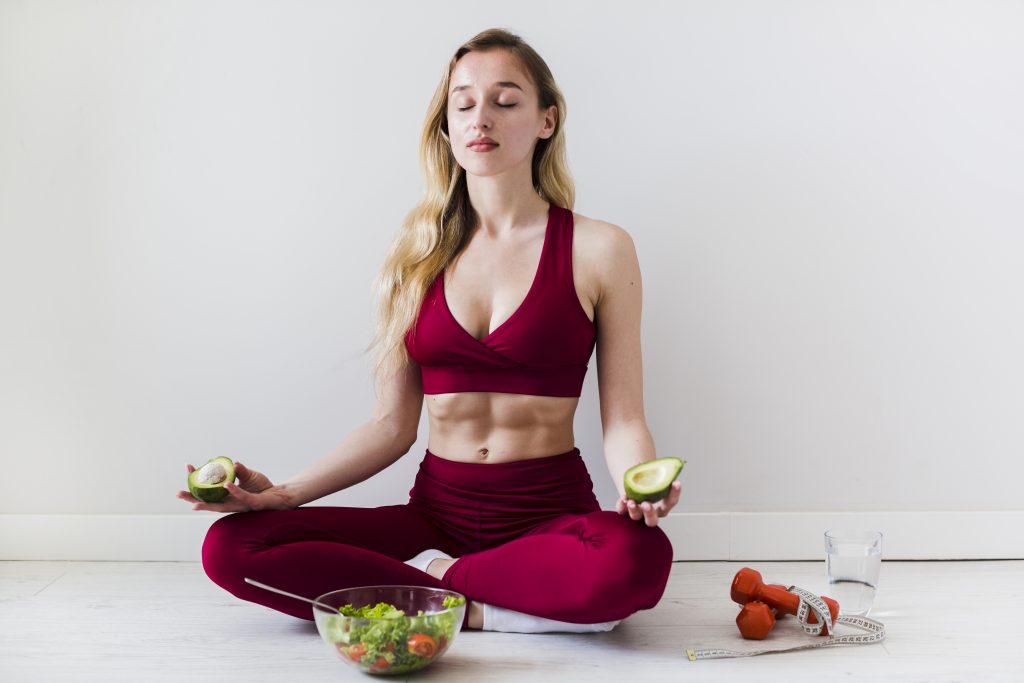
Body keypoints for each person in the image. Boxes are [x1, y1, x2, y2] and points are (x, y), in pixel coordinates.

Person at [176, 27, 681, 633]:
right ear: (447, 129)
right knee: (231, 546)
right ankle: (493, 600)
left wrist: (641, 487)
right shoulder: (413, 258)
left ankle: (436, 586)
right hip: (434, 517)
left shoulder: (601, 249)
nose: (481, 118)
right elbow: (391, 426)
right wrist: (283, 495)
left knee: (637, 559)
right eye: (463, 103)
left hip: (548, 514)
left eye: (506, 100)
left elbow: (623, 416)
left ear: (547, 120)